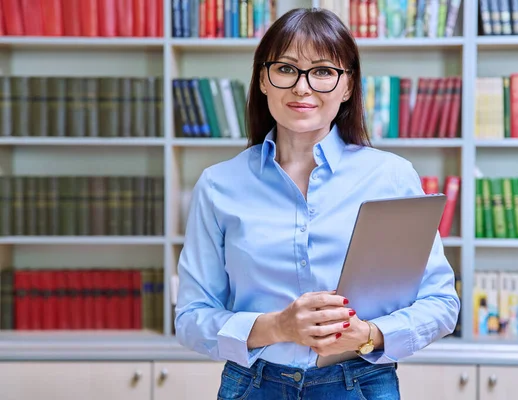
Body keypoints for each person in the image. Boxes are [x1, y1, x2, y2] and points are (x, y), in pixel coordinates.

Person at [175, 7, 460, 399]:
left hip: (359, 384)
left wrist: (370, 335)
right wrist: (278, 327)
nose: (303, 88)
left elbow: (441, 302)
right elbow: (191, 318)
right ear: (263, 79)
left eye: (323, 71)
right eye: (287, 68)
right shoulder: (218, 185)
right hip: (253, 385)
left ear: (347, 87)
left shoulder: (391, 178)